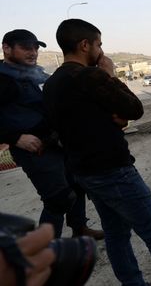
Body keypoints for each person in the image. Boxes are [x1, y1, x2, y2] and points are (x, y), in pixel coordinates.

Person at [43, 19, 151, 286]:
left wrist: (110, 120)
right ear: (85, 45)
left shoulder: (53, 83)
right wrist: (111, 75)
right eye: (99, 45)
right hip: (112, 169)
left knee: (116, 233)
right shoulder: (90, 76)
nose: (102, 51)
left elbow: (76, 122)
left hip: (84, 170)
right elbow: (134, 108)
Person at [0, 29, 103, 240]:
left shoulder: (35, 74)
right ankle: (46, 248)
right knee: (59, 199)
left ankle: (79, 228)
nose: (33, 52)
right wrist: (15, 138)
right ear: (6, 48)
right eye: (26, 47)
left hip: (57, 141)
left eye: (36, 48)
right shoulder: (3, 80)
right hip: (34, 147)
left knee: (77, 185)